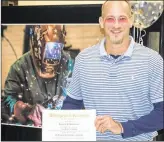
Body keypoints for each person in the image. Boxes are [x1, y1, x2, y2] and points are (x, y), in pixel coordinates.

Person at [62, 0, 163, 141]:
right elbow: (72, 103)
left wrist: (122, 127)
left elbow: (161, 113)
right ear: (101, 22)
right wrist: (62, 128)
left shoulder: (152, 60)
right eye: (110, 19)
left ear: (131, 21)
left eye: (122, 18)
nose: (116, 25)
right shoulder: (84, 59)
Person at [1, 25, 73, 127]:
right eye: (49, 49)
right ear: (38, 45)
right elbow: (7, 102)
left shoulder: (70, 64)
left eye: (57, 49)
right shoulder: (20, 67)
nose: (52, 56)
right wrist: (27, 110)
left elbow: (80, 97)